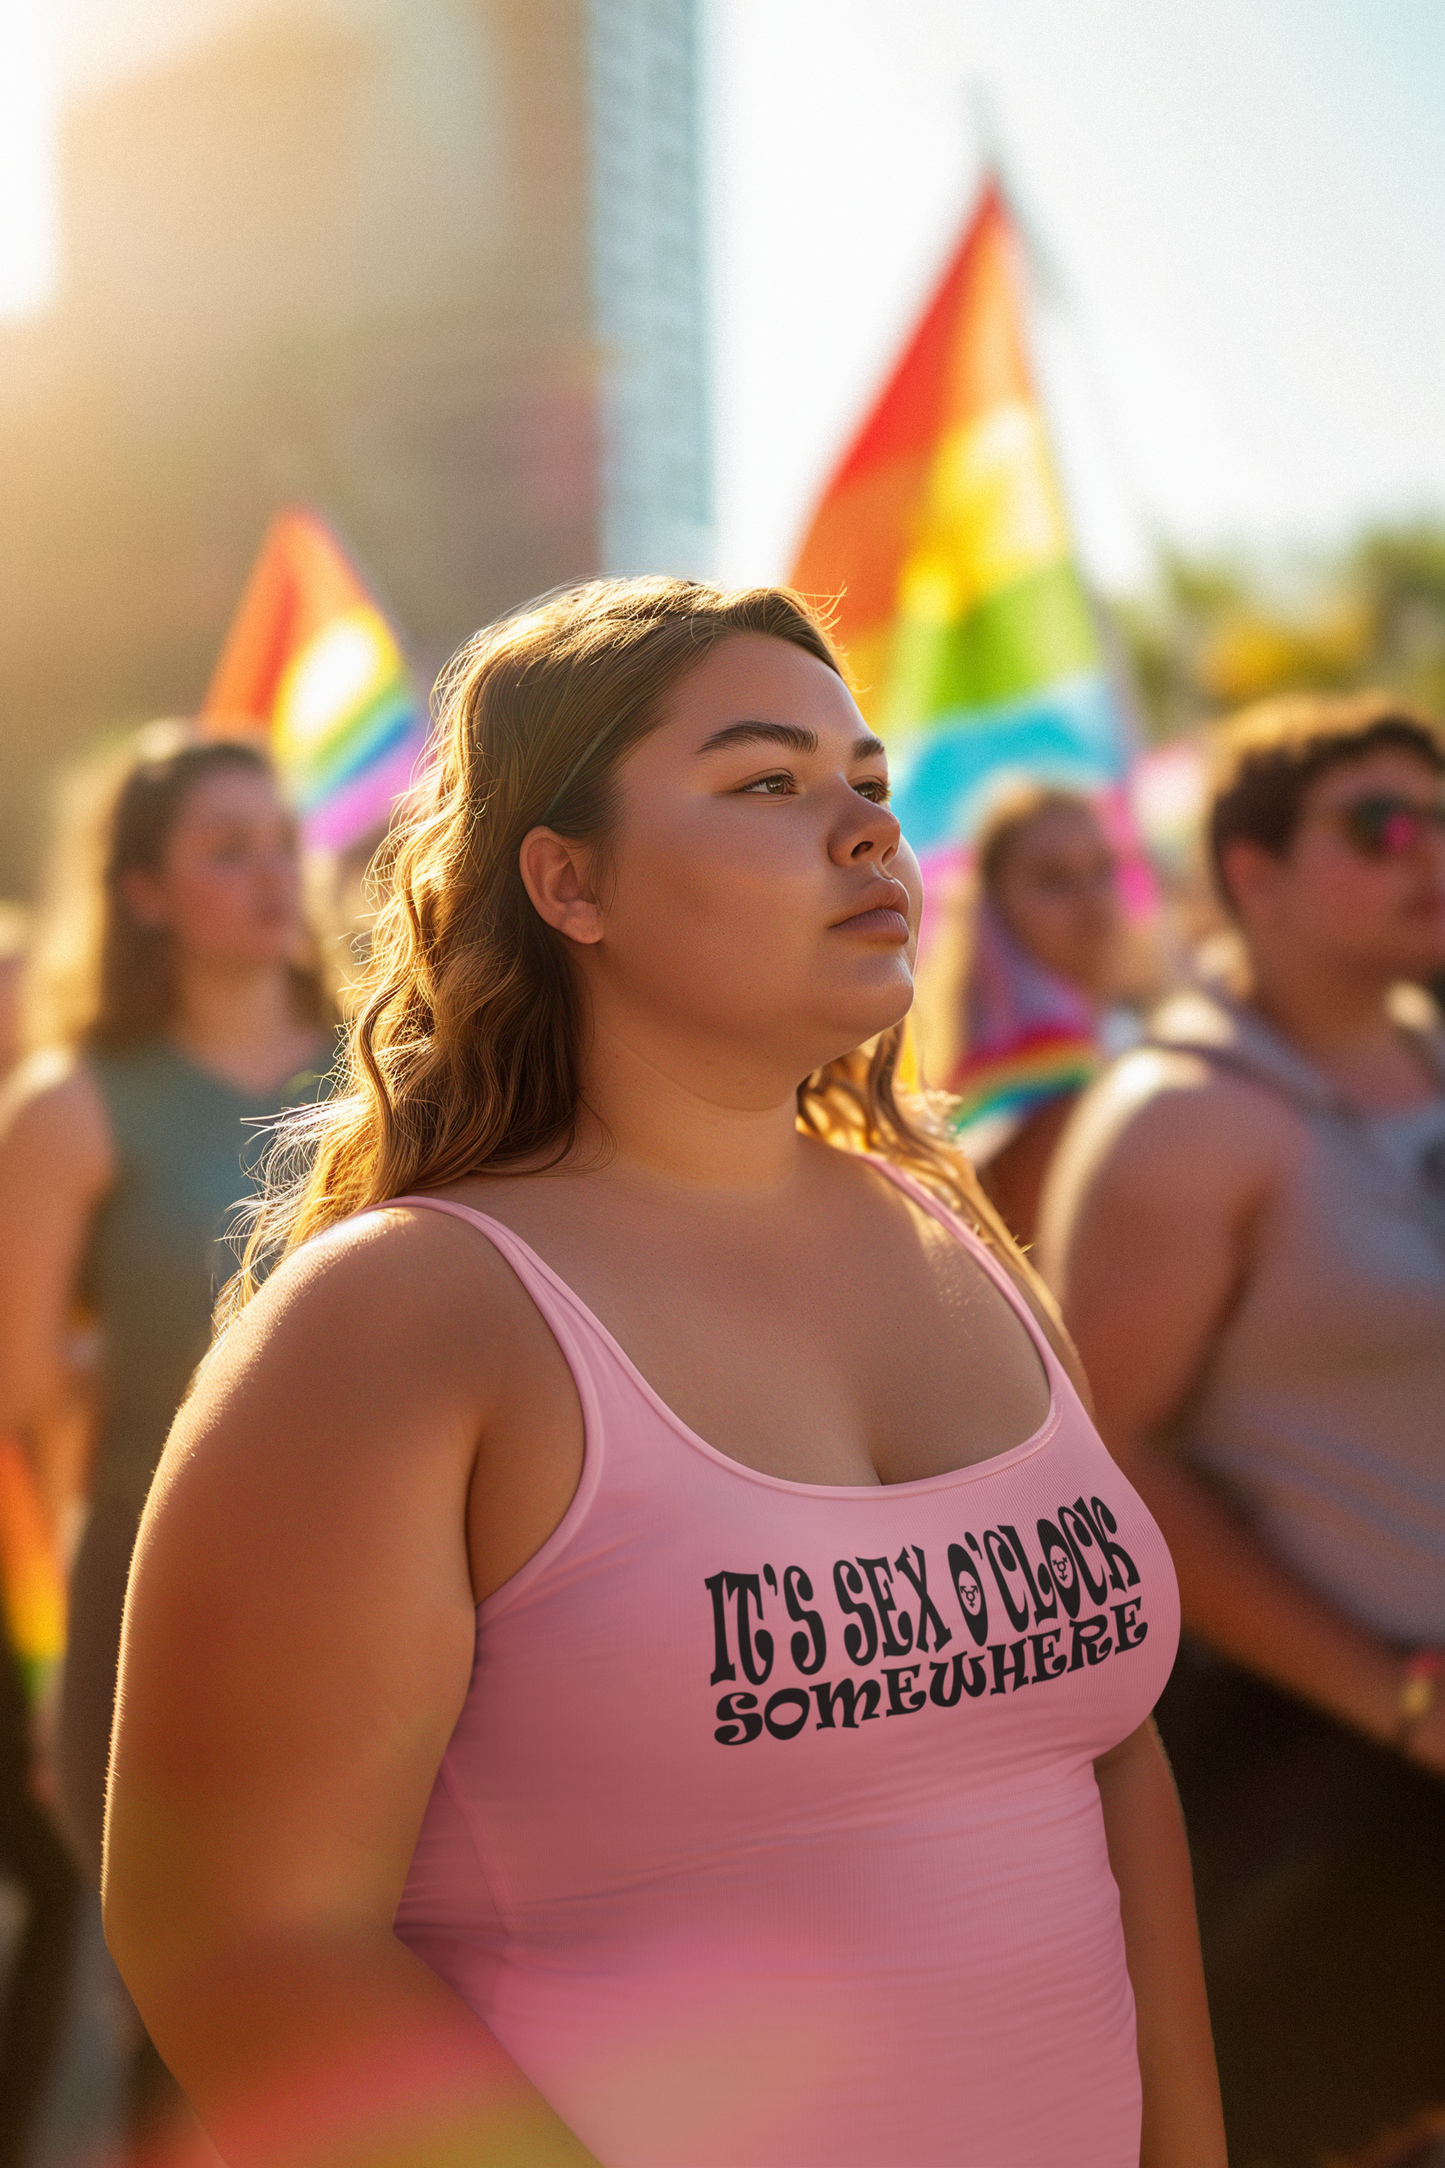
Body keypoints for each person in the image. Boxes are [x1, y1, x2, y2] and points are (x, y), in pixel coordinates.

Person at [103, 579, 1223, 2168]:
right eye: (767, 783)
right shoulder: (410, 1315)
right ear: (568, 882)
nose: (861, 832)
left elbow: (1105, 1757)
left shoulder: (946, 1228)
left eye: (869, 785)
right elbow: (248, 1951)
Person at [1039, 693, 1445, 2166]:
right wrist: (1395, 1698)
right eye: (1381, 826)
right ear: (1251, 874)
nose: (1430, 854)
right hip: (1309, 1776)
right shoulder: (1181, 1117)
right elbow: (1106, 1463)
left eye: (1443, 818)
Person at [0, 728, 335, 2147]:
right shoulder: (72, 1108)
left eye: (280, 839)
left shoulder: (394, 1071)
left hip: (384, 1600)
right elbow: (16, 1394)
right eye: (224, 849)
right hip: (151, 1614)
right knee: (190, 2019)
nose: (271, 874)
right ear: (142, 893)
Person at [919, 784, 1127, 1247]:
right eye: (1053, 879)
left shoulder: (1118, 1033)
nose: (1092, 900)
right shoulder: (1036, 1075)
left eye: (1103, 869)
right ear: (993, 906)